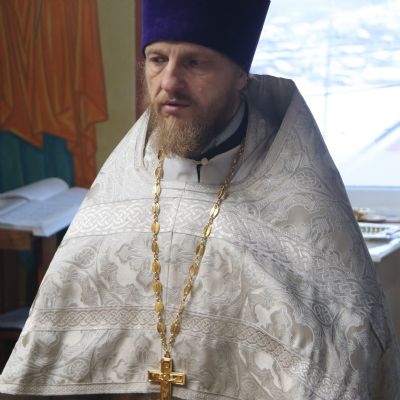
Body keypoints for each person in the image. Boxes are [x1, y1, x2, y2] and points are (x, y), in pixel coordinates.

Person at [1, 0, 399, 399]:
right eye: (157, 60)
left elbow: (351, 346)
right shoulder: (123, 182)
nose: (169, 83)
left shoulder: (298, 191)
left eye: (194, 63)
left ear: (240, 76)